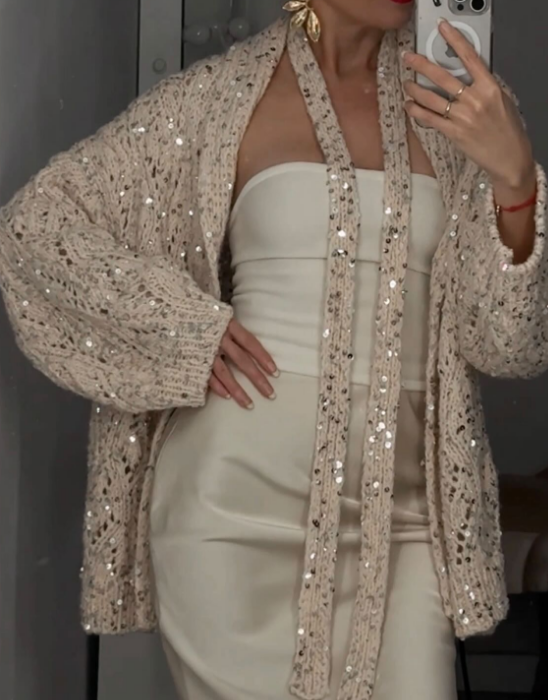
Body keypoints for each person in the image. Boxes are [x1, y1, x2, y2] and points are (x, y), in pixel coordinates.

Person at [0, 1, 546, 699]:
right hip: (233, 509)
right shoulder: (219, 97)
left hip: (408, 519)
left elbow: (507, 344)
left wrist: (516, 181)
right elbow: (35, 229)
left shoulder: (467, 106)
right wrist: (182, 329)